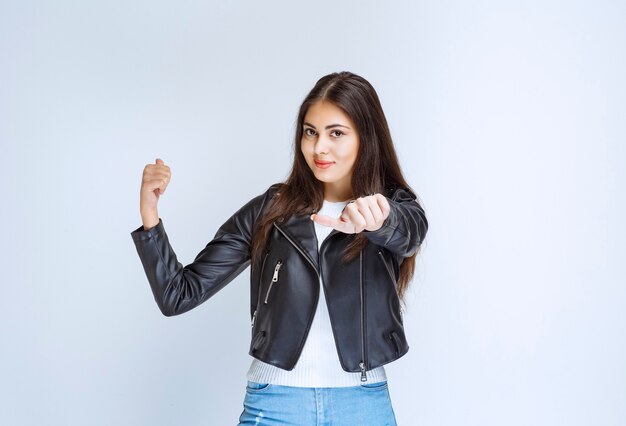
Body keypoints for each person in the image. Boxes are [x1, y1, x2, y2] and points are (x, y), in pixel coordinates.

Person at [130, 71, 428, 425]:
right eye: (310, 132)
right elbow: (177, 294)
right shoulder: (271, 209)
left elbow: (409, 234)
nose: (319, 148)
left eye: (336, 133)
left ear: (367, 136)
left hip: (361, 405)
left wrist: (378, 221)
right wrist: (150, 214)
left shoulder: (392, 208)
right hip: (275, 405)